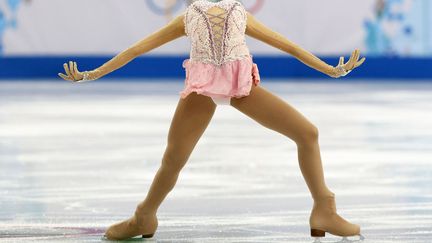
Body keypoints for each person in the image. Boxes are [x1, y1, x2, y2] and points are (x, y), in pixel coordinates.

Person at [58, 0, 366, 241]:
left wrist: (331, 69)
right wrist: (91, 74)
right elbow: (137, 49)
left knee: (307, 133)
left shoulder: (233, 12)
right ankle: (144, 216)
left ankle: (324, 209)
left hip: (241, 87)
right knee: (173, 159)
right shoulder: (195, 15)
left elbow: (289, 46)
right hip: (203, 90)